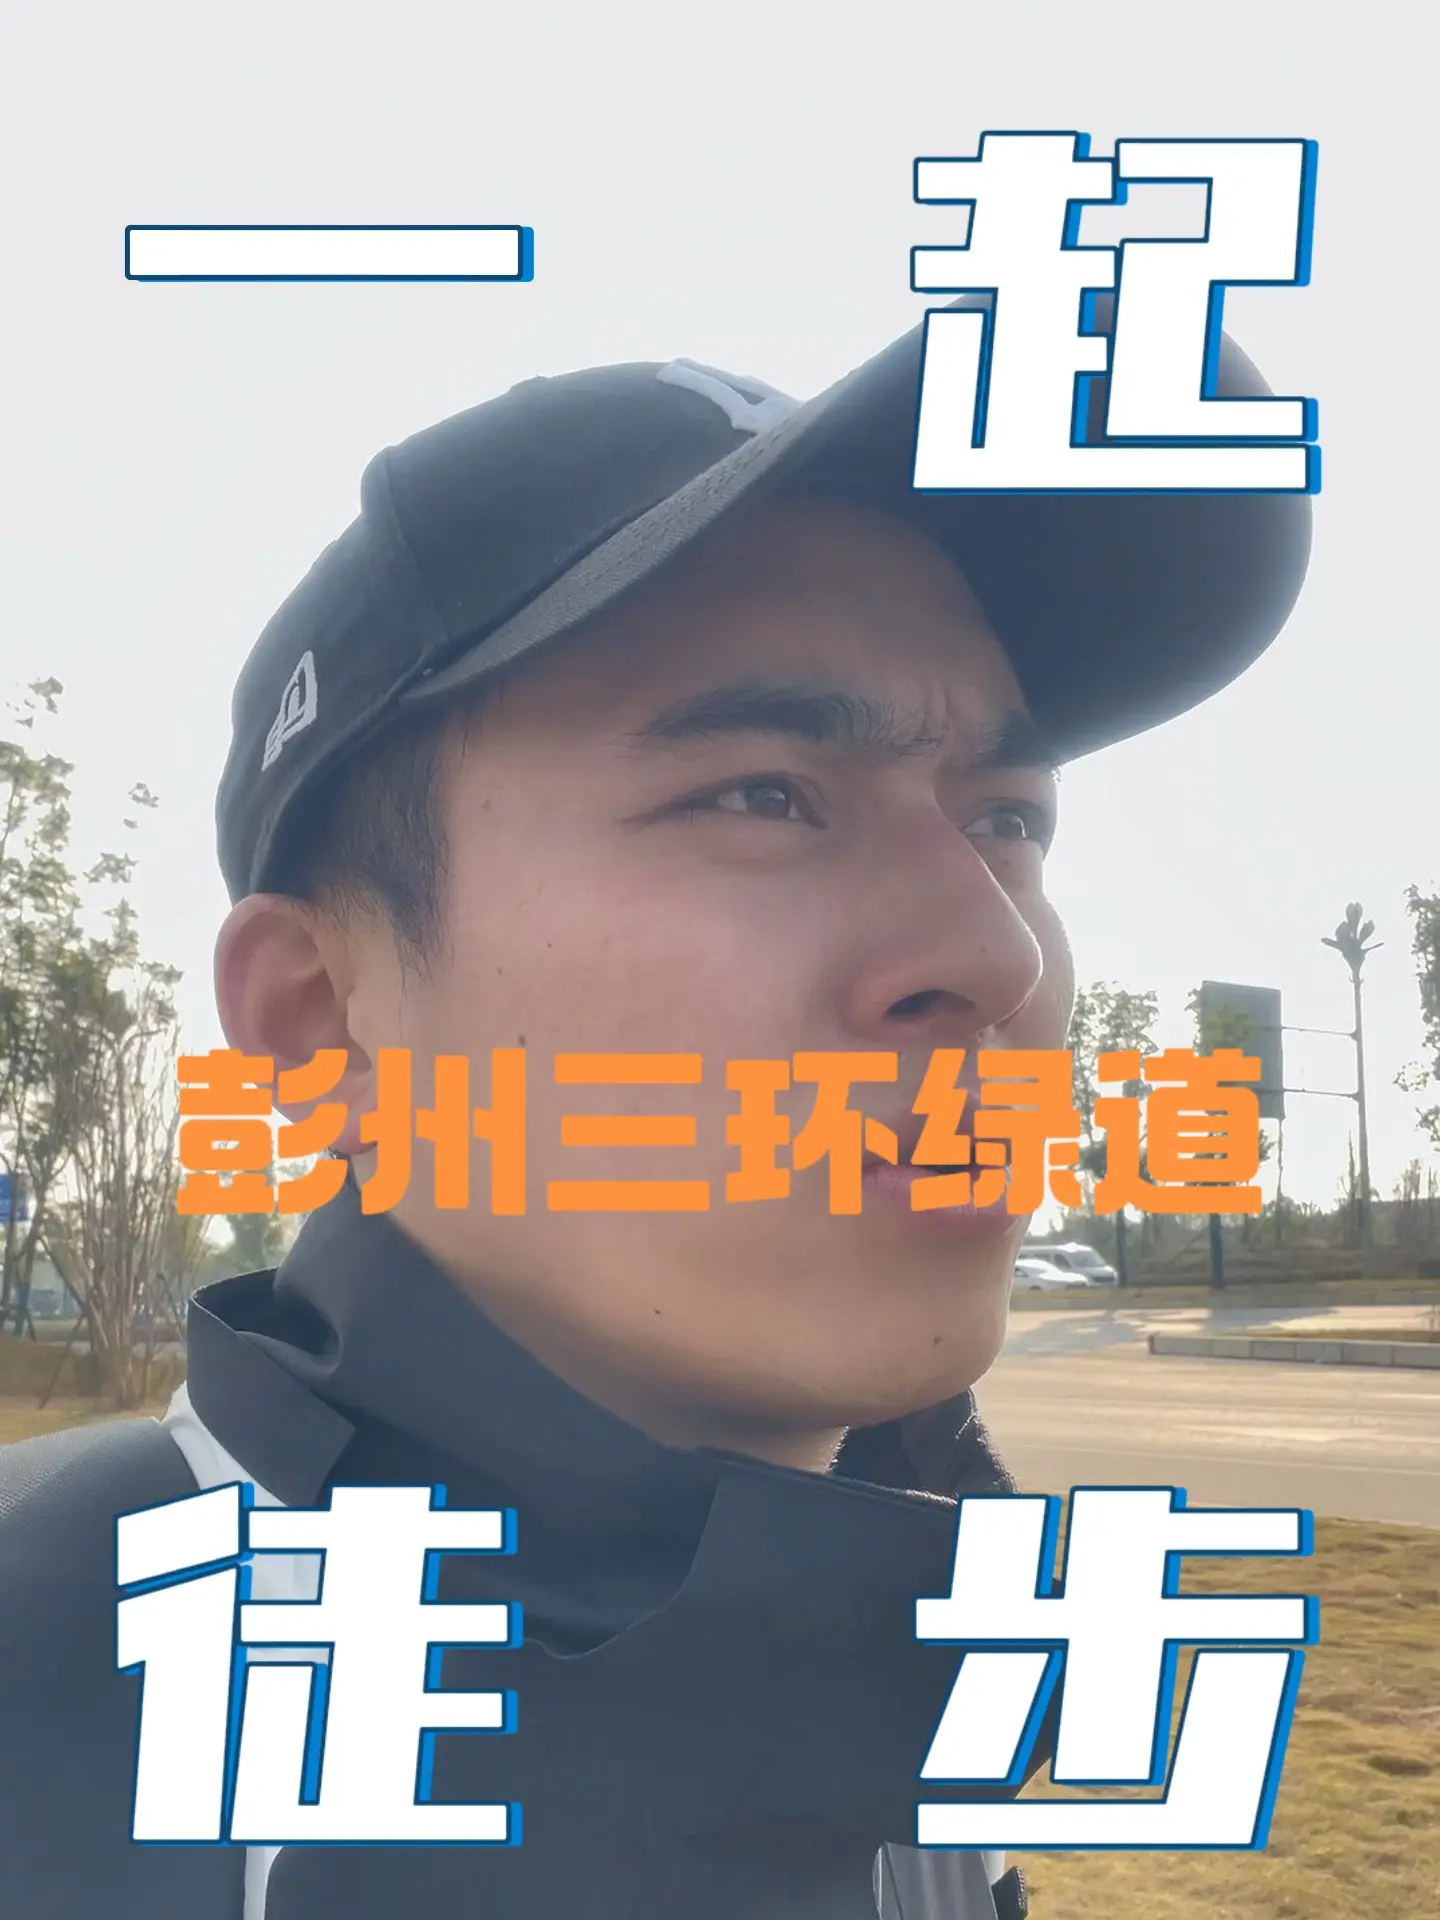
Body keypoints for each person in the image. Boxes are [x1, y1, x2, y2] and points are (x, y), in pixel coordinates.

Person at [0, 311, 1311, 1920]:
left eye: (1007, 818)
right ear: (325, 1019)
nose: (996, 953)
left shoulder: (899, 1638)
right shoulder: (69, 1704)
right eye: (765, 795)